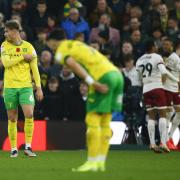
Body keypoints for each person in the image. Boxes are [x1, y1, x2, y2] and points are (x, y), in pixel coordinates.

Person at [48, 28, 124, 172]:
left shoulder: (61, 51)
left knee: (92, 120)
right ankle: (100, 163)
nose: (50, 48)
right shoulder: (76, 44)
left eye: (49, 44)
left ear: (52, 41)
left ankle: (91, 162)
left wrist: (92, 82)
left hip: (102, 77)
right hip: (116, 75)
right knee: (106, 120)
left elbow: (74, 65)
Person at [1, 20, 43, 157]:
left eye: (7, 31)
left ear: (15, 31)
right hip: (10, 87)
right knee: (12, 117)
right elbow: (6, 63)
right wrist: (21, 57)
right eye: (4, 31)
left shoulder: (29, 47)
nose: (5, 33)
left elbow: (35, 69)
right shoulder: (4, 46)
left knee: (29, 114)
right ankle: (13, 148)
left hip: (25, 86)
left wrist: (39, 87)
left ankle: (28, 146)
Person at [136, 40, 179, 153]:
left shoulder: (139, 60)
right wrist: (176, 80)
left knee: (151, 117)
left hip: (146, 89)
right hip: (157, 88)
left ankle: (152, 143)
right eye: (155, 45)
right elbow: (164, 72)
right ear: (152, 47)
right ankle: (164, 143)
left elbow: (139, 76)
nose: (156, 47)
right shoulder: (157, 57)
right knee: (163, 115)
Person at [163, 41, 180, 150]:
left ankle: (170, 138)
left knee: (179, 114)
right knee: (169, 115)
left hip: (176, 90)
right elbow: (165, 73)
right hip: (168, 89)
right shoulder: (173, 57)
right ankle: (164, 140)